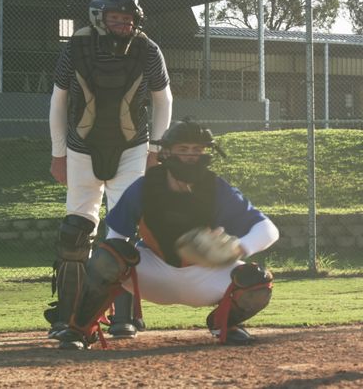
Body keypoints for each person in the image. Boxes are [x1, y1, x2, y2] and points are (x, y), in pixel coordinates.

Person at [53, 118, 280, 350]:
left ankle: (223, 323)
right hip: (154, 274)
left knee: (258, 282)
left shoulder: (217, 189)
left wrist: (239, 248)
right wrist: (110, 277)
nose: (191, 155)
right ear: (167, 152)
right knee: (108, 256)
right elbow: (115, 239)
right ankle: (80, 329)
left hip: (205, 276)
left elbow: (268, 229)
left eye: (197, 149)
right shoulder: (144, 187)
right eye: (183, 149)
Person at [47, 0, 173, 339]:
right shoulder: (74, 48)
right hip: (81, 148)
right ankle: (69, 316)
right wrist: (58, 153)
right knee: (75, 230)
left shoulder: (148, 50)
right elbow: (58, 101)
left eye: (129, 19)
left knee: (121, 232)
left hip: (132, 147)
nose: (123, 24)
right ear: (98, 18)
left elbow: (164, 100)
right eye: (116, 18)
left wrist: (156, 150)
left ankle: (124, 317)